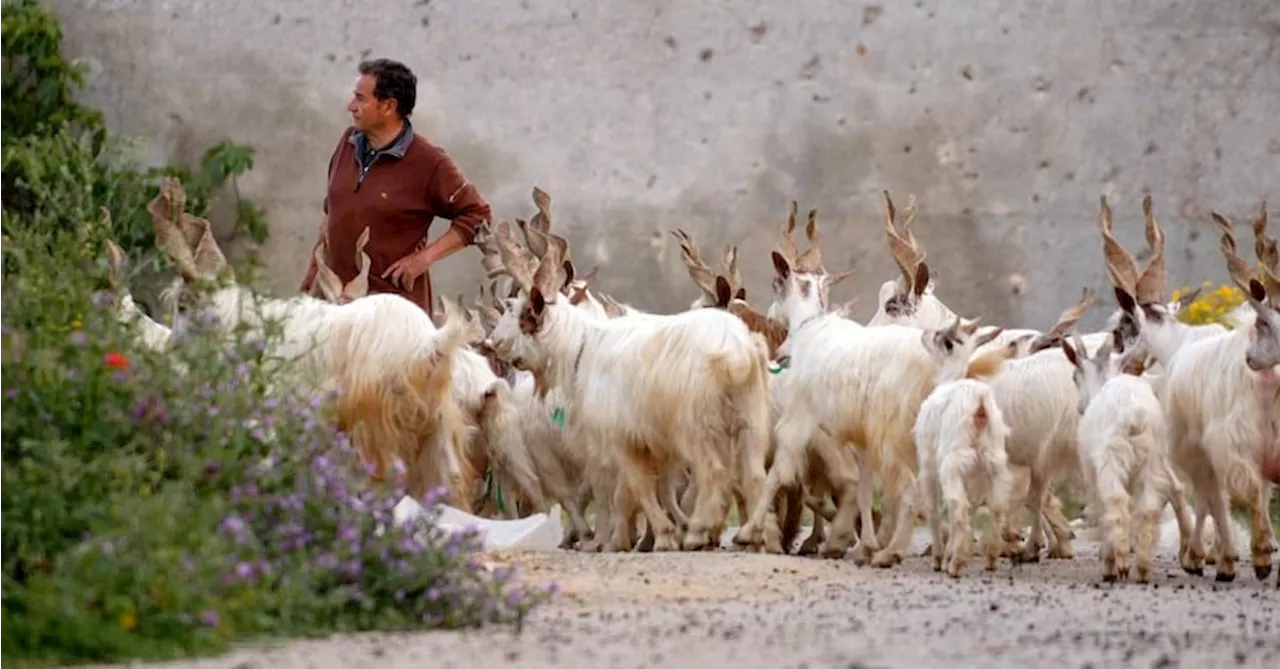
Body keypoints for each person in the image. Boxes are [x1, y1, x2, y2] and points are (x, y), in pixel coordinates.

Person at [299, 58, 491, 315]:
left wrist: (423, 260)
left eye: (360, 99)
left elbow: (477, 215)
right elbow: (331, 217)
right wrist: (312, 279)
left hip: (392, 317)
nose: (350, 106)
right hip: (333, 305)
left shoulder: (429, 162)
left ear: (388, 106)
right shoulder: (347, 143)